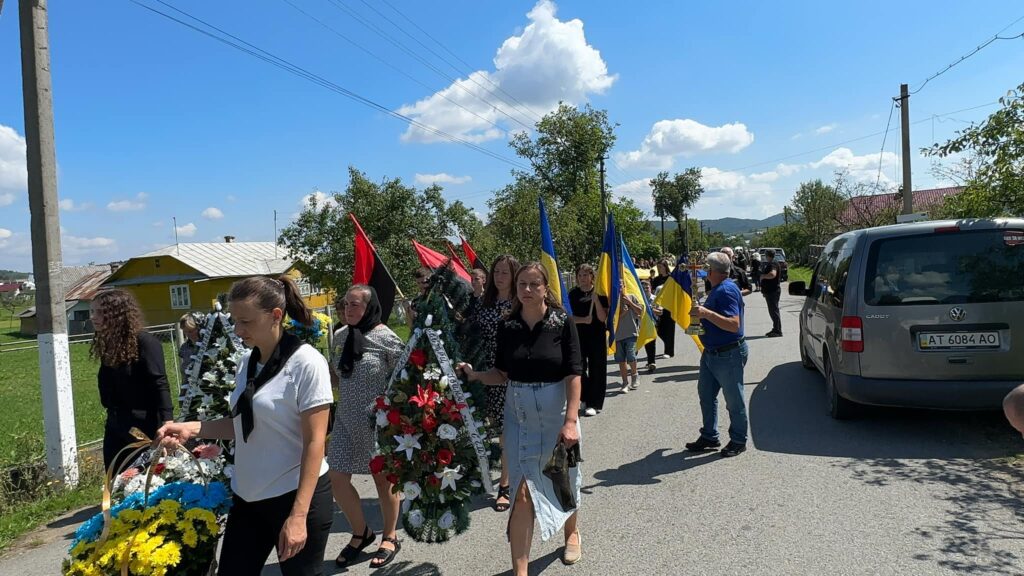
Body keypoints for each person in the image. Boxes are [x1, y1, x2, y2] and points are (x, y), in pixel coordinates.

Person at [156, 276, 334, 576]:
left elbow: (315, 441)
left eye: (246, 321)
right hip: (249, 497)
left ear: (276, 315)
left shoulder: (306, 363)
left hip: (294, 497)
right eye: (234, 320)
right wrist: (191, 428)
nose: (238, 331)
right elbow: (244, 425)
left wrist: (298, 516)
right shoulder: (246, 362)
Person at [458, 262, 584, 574]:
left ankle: (572, 534)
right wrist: (475, 376)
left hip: (557, 415)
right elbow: (501, 373)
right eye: (522, 285)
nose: (526, 290)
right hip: (519, 416)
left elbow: (573, 372)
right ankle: (521, 570)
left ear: (545, 287)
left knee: (564, 479)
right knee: (521, 491)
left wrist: (571, 420)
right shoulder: (508, 326)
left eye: (533, 284)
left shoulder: (561, 321)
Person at [327, 285, 404, 568]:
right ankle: (361, 532)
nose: (349, 309)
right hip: (346, 420)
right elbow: (336, 376)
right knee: (336, 478)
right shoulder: (339, 336)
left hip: (379, 424)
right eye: (346, 304)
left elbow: (405, 379)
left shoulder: (387, 338)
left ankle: (390, 535)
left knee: (383, 481)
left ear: (369, 307)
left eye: (355, 305)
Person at [90, 289, 174, 470]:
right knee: (115, 480)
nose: (92, 317)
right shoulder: (111, 346)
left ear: (117, 314)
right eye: (92, 312)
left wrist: (168, 421)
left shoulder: (145, 343)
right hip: (116, 424)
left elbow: (159, 382)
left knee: (144, 478)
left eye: (99, 312)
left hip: (144, 426)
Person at [685, 252, 749, 458]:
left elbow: (734, 325)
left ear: (712, 271)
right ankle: (710, 435)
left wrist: (705, 314)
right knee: (706, 395)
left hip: (728, 353)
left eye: (706, 269)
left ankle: (739, 440)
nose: (704, 272)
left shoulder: (726, 290)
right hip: (712, 353)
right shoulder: (719, 289)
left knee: (734, 400)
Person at [476, 254, 520, 512]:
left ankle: (505, 485)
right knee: (493, 429)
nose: (500, 276)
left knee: (504, 432)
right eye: (497, 272)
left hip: (510, 373)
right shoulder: (485, 303)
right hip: (486, 371)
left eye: (505, 272)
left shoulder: (519, 303)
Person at [568, 264, 608, 417]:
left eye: (585, 275)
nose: (582, 278)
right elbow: (569, 318)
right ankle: (584, 397)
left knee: (597, 368)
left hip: (597, 337)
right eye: (580, 275)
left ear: (592, 276)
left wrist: (596, 301)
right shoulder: (573, 295)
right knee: (579, 368)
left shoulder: (599, 293)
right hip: (578, 336)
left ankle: (595, 403)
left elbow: (603, 317)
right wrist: (583, 320)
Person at [615, 280, 642, 393]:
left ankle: (634, 375)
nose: (619, 287)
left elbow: (640, 311)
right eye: (617, 285)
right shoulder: (613, 301)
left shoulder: (631, 297)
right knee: (621, 360)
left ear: (624, 286)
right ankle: (625, 382)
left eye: (621, 285)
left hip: (631, 332)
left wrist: (630, 303)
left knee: (631, 356)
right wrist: (622, 314)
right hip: (618, 335)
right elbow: (610, 319)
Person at [649, 259, 675, 361]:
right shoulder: (655, 279)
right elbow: (653, 293)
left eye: (661, 266)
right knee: (660, 329)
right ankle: (667, 345)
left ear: (665, 267)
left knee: (669, 330)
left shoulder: (671, 278)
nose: (659, 269)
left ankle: (669, 351)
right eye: (658, 267)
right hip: (658, 307)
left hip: (669, 307)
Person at [640, 280, 664, 372]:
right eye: (643, 287)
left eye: (647, 287)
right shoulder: (639, 299)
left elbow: (660, 312)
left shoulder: (656, 298)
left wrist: (650, 309)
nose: (646, 289)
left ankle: (651, 363)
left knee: (650, 343)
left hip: (653, 323)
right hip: (640, 324)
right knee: (638, 344)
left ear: (651, 288)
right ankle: (631, 361)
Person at [760, 249, 783, 337]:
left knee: (774, 311)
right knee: (773, 310)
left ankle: (777, 330)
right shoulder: (773, 263)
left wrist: (763, 276)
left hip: (772, 291)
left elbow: (773, 274)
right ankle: (775, 328)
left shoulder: (773, 263)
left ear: (767, 255)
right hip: (770, 291)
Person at [177, 312, 202, 383]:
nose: (188, 335)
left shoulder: (208, 345)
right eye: (185, 332)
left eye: (191, 331)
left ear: (198, 327)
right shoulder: (184, 348)